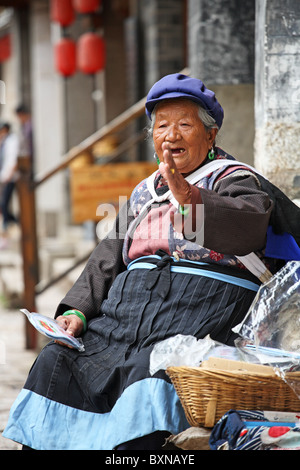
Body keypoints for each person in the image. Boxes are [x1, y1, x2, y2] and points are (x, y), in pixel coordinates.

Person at [3, 73, 281, 450]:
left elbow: (248, 226)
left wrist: (190, 198)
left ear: (211, 136)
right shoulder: (144, 192)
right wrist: (79, 311)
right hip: (125, 317)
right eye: (162, 126)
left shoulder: (234, 179)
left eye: (185, 124)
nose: (172, 135)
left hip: (196, 315)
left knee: (150, 371)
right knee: (57, 362)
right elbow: (107, 257)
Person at [0, 122, 19, 249]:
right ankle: (11, 226)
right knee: (4, 205)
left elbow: (12, 160)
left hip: (10, 178)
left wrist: (7, 177)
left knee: (4, 204)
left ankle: (10, 227)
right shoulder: (5, 141)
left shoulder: (12, 141)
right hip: (5, 177)